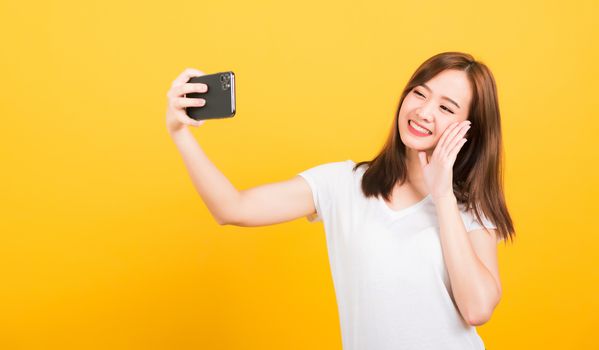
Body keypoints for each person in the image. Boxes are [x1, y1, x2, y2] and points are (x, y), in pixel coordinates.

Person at [165, 51, 515, 350]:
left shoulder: (470, 208)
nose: (424, 111)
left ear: (469, 129)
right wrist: (180, 134)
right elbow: (232, 208)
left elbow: (477, 309)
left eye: (445, 107)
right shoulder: (344, 185)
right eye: (419, 94)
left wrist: (442, 197)